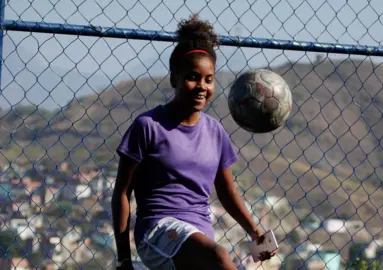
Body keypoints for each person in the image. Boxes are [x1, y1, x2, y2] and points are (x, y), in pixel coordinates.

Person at [111, 14, 275, 270]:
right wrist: (123, 260)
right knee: (220, 258)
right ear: (173, 79)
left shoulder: (215, 132)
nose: (202, 86)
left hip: (200, 235)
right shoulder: (148, 126)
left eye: (209, 80)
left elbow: (227, 192)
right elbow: (122, 192)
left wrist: (255, 231)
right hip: (157, 232)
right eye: (192, 77)